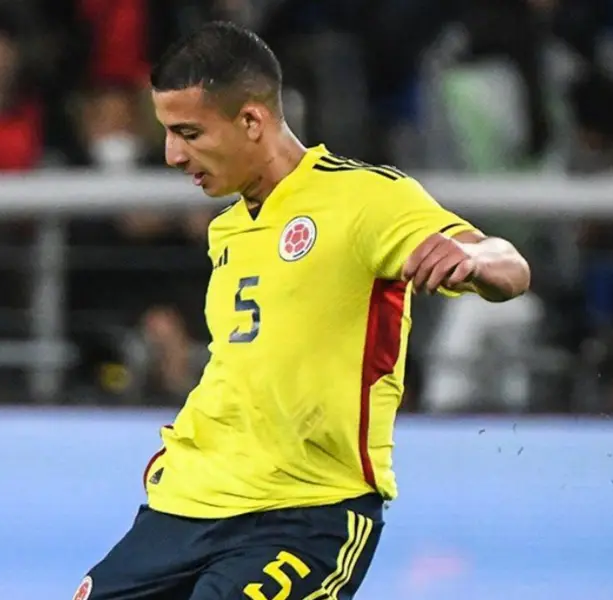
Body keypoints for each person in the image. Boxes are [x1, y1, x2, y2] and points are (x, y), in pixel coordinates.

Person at [75, 22, 530, 600]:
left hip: (305, 514)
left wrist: (478, 263)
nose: (171, 154)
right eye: (167, 132)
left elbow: (507, 263)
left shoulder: (364, 198)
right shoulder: (229, 229)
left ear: (251, 121)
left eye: (188, 132)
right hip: (184, 504)